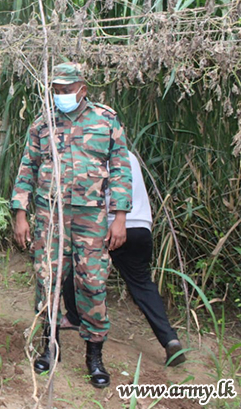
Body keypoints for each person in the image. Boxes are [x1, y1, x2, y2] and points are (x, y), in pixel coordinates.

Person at [11, 62, 132, 388]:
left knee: (92, 283)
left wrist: (120, 218)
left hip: (90, 217)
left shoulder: (105, 120)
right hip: (50, 216)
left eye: (67, 90)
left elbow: (120, 168)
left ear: (83, 89)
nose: (61, 95)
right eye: (57, 90)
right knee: (46, 280)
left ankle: (94, 356)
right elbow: (27, 168)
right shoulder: (43, 123)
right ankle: (50, 347)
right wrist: (20, 213)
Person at [60, 151, 186, 367]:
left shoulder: (95, 153)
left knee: (73, 263)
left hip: (109, 226)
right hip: (141, 227)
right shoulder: (130, 156)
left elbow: (92, 195)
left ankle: (73, 317)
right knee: (142, 284)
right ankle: (169, 339)